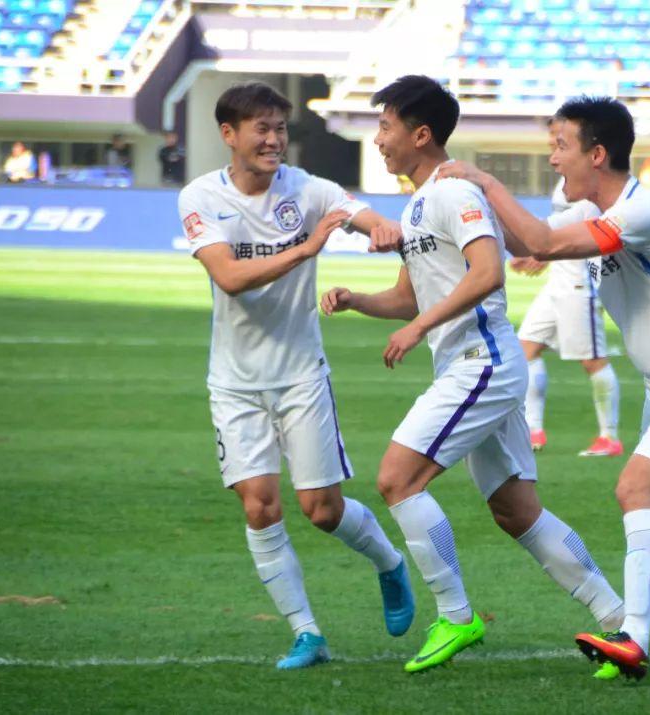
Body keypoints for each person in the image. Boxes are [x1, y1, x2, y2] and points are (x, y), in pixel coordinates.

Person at [437, 96, 650, 680]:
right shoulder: (589, 208)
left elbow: (543, 243)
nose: (553, 159)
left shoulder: (644, 210)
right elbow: (523, 243)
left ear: (598, 154)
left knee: (635, 490)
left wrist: (484, 179)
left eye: (562, 146)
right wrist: (458, 207)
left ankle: (633, 638)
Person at [320, 76, 623, 674]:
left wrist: (417, 328)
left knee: (397, 479)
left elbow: (488, 273)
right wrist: (357, 300)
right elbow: (410, 298)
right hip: (475, 365)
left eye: (385, 126)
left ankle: (456, 615)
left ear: (420, 134)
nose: (378, 139)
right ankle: (619, 620)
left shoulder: (454, 191)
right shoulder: (418, 202)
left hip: (481, 364)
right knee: (516, 511)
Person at [176, 81, 415, 671]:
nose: (273, 140)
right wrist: (307, 249)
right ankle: (307, 634)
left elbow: (361, 216)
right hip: (233, 382)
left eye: (280, 128)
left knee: (322, 511)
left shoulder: (309, 188)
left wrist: (384, 230)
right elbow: (229, 278)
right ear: (229, 134)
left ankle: (389, 563)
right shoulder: (200, 196)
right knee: (260, 507)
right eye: (261, 128)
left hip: (300, 376)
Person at [511, 119, 622, 457]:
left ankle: (610, 437)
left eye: (558, 137)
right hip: (557, 281)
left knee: (592, 361)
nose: (552, 141)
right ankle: (533, 430)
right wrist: (542, 254)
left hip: (578, 282)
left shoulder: (588, 183)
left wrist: (542, 252)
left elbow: (586, 227)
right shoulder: (565, 180)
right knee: (525, 349)